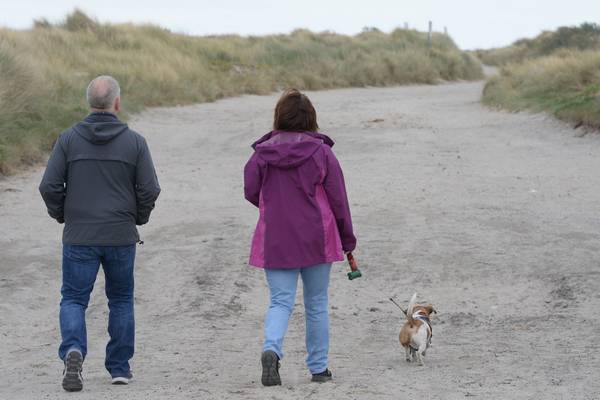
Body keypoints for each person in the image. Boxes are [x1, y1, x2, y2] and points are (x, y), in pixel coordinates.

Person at [39, 75, 161, 392]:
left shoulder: (68, 139)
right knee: (120, 299)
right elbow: (150, 189)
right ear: (116, 103)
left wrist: (63, 215)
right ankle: (119, 367)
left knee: (74, 299)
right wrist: (138, 218)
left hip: (80, 235)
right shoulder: (135, 142)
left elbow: (49, 186)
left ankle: (73, 351)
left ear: (89, 103)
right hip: (120, 234)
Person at [244, 89, 356, 386]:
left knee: (280, 301)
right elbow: (338, 200)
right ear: (311, 118)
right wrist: (348, 240)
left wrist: (273, 208)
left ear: (280, 117)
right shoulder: (322, 153)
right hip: (317, 237)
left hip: (277, 237)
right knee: (316, 302)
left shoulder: (261, 154)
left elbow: (250, 190)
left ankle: (271, 348)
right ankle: (318, 369)